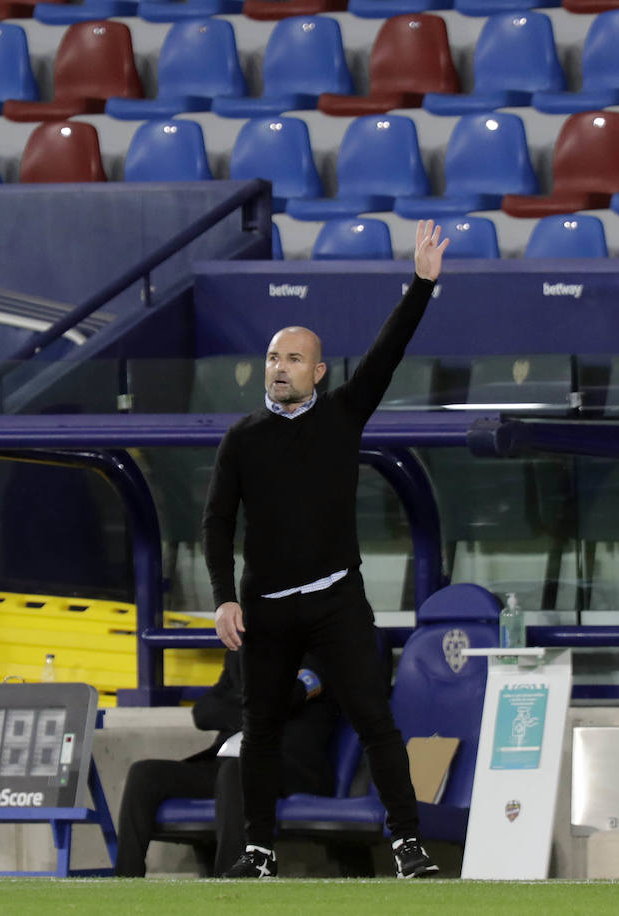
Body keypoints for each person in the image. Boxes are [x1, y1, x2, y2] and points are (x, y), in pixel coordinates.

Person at [203, 220, 450, 879]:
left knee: (375, 719)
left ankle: (406, 844)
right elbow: (217, 522)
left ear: (317, 371)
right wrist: (224, 598)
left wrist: (421, 285)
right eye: (272, 359)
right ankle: (258, 852)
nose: (278, 369)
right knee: (260, 734)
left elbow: (388, 352)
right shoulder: (243, 438)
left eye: (291, 360)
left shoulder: (344, 414)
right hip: (268, 610)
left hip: (337, 600)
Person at [114, 650, 336, 877]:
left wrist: (238, 702)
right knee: (144, 774)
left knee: (237, 770)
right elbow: (204, 712)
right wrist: (254, 709)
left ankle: (229, 886)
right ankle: (126, 883)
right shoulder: (239, 655)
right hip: (226, 765)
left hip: (287, 769)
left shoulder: (314, 651)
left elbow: (287, 698)